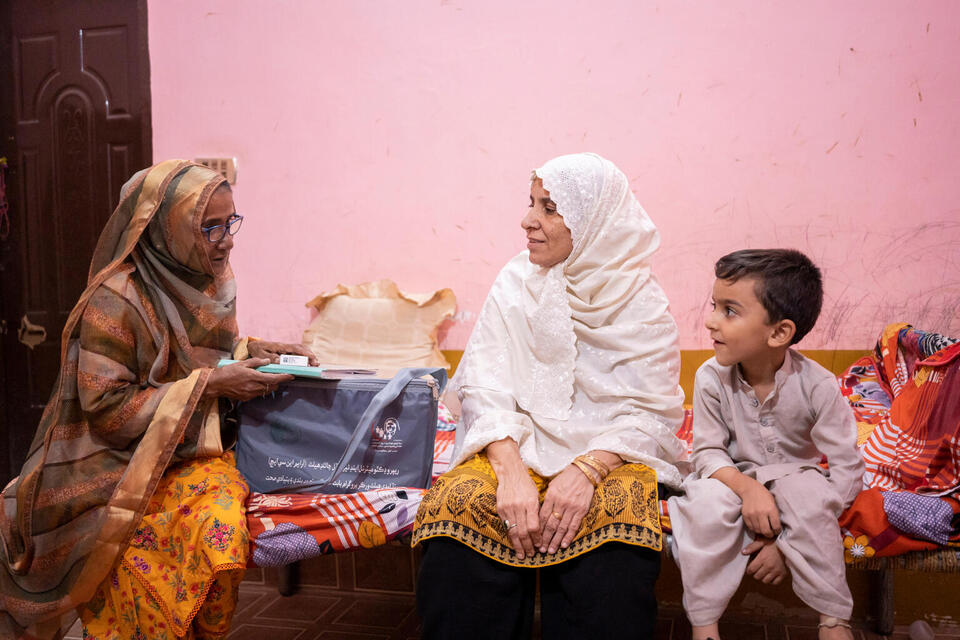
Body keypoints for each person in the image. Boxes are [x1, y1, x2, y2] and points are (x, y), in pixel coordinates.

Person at [0, 160, 315, 639]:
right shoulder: (117, 298)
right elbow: (106, 410)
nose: (227, 239)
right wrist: (212, 386)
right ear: (168, 231)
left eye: (230, 222)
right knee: (166, 548)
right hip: (111, 467)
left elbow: (200, 359)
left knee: (222, 534)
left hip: (181, 453)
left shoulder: (207, 282)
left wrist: (255, 352)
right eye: (209, 228)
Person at [412, 153, 687, 639]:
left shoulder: (642, 302)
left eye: (550, 207)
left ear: (594, 220)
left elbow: (651, 412)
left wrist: (587, 470)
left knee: (615, 529)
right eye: (531, 203)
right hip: (513, 443)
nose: (528, 220)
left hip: (611, 453)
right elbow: (484, 385)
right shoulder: (516, 280)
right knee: (458, 506)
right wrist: (511, 470)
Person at [667, 249, 864, 640]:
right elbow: (707, 452)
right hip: (732, 480)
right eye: (714, 306)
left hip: (794, 478)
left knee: (810, 494)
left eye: (729, 311)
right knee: (701, 502)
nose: (710, 322)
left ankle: (833, 622)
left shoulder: (819, 386)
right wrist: (749, 489)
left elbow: (846, 468)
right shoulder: (711, 377)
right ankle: (704, 626)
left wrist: (785, 544)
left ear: (779, 333)